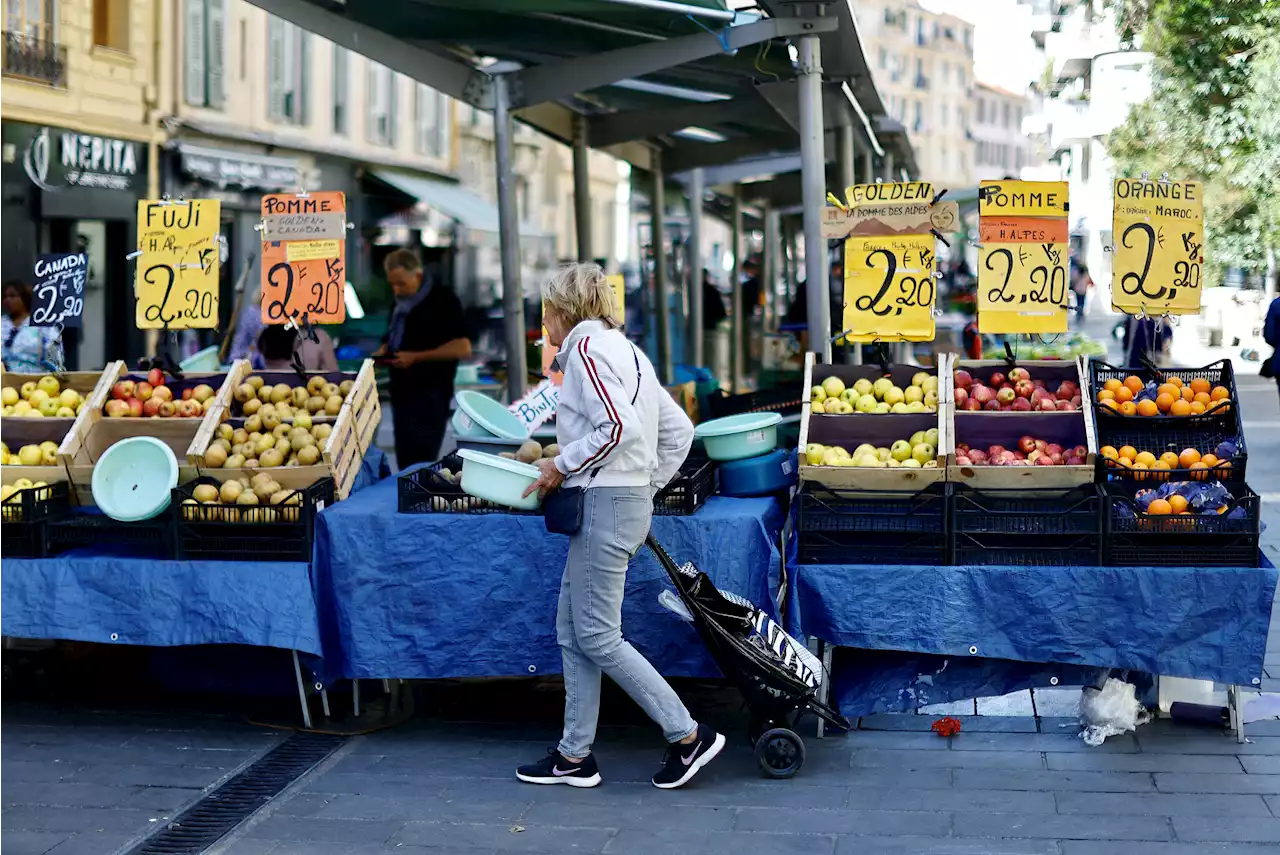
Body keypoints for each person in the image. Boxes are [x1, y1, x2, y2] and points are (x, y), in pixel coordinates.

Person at [517, 263, 724, 791]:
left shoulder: (586, 353)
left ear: (561, 311)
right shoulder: (629, 351)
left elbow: (618, 429)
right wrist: (646, 483)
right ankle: (573, 756)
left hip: (605, 502)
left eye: (546, 310)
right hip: (620, 499)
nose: (544, 321)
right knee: (573, 631)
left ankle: (687, 735)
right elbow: (679, 430)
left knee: (596, 635)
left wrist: (560, 464)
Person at [374, 249, 471, 469]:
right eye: (392, 284)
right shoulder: (399, 304)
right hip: (401, 393)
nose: (396, 289)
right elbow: (391, 338)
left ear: (417, 275)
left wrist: (415, 358)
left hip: (430, 395)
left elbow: (463, 347)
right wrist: (383, 353)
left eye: (401, 283)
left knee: (422, 463)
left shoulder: (443, 300)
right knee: (404, 464)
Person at [0, 280, 64, 373]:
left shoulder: (42, 325)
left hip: (36, 380)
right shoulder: (2, 323)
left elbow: (55, 357)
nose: (7, 300)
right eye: (5, 297)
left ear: (24, 298)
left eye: (12, 296)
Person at [257, 323, 339, 372]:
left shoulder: (266, 335)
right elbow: (333, 377)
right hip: (309, 397)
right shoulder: (319, 337)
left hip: (270, 395)